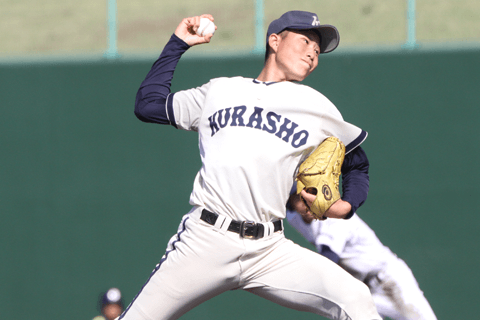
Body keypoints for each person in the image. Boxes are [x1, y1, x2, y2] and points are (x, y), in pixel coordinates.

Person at [119, 10, 381, 320]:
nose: (313, 52)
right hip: (206, 240)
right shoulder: (219, 91)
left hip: (269, 249)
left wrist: (345, 207)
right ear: (274, 40)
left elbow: (357, 164)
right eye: (305, 40)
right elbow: (148, 105)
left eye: (318, 49)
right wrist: (178, 43)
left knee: (355, 298)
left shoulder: (317, 107)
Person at [287, 193, 438, 320]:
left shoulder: (334, 215)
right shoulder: (294, 218)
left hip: (389, 279)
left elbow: (329, 258)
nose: (305, 203)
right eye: (297, 199)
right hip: (363, 289)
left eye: (305, 194)